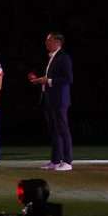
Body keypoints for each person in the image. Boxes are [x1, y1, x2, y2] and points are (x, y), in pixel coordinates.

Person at [30, 32, 74, 171]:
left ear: (57, 42)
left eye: (48, 40)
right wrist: (40, 80)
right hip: (49, 99)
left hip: (60, 100)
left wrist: (47, 80)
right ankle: (55, 160)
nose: (46, 43)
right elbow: (51, 78)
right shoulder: (52, 58)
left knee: (63, 129)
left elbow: (68, 79)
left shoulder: (64, 57)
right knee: (54, 130)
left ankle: (67, 161)